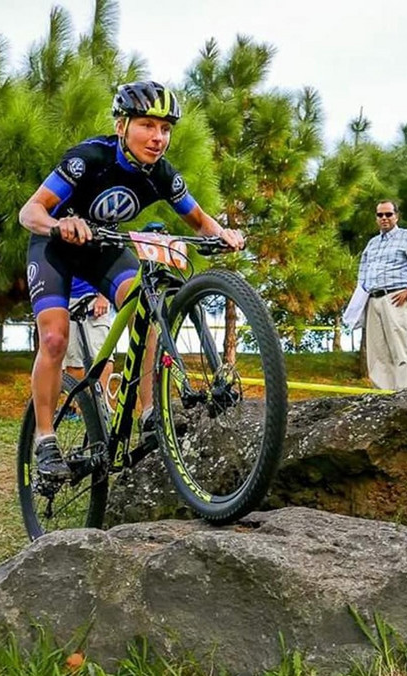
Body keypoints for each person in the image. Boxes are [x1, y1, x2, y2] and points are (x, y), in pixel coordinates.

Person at [18, 80, 244, 480]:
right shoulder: (88, 159)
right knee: (54, 338)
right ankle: (45, 439)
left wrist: (221, 234)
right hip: (53, 245)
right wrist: (58, 224)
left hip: (102, 246)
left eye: (166, 129)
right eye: (147, 126)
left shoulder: (161, 174)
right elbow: (29, 212)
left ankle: (149, 413)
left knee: (149, 307)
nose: (158, 138)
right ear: (122, 125)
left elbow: (199, 220)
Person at [344, 200, 407, 390]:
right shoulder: (373, 243)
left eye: (388, 214)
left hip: (396, 297)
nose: (384, 218)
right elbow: (363, 274)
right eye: (380, 215)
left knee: (399, 349)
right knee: (377, 352)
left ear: (396, 216)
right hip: (372, 299)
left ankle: (402, 394)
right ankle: (383, 396)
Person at [63, 277, 115, 410]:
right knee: (73, 361)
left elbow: (108, 261)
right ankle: (81, 408)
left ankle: (100, 405)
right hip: (66, 300)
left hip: (94, 299)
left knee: (102, 356)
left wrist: (104, 296)